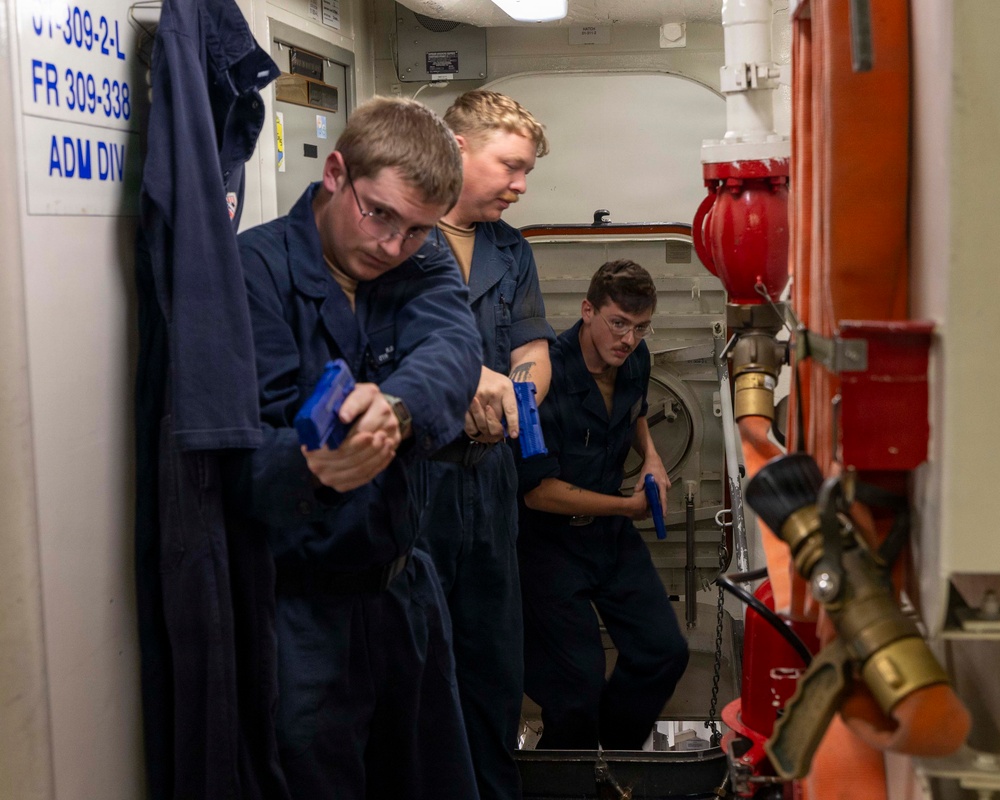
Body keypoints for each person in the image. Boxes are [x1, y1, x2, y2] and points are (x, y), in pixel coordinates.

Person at [225, 97, 482, 799]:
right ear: (336, 173)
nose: (391, 245)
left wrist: (396, 410)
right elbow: (237, 450)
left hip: (401, 591)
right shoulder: (254, 274)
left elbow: (453, 348)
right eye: (379, 214)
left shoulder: (422, 263)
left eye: (416, 230)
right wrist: (308, 466)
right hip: (300, 608)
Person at [416, 90, 555, 800]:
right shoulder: (401, 237)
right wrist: (461, 382)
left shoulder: (510, 249)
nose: (521, 184)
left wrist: (513, 393)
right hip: (418, 481)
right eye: (511, 166)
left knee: (494, 661)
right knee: (418, 659)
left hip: (491, 477)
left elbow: (534, 346)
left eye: (526, 171)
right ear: (458, 148)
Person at [516, 259, 690, 750]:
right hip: (548, 545)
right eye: (618, 323)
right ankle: (565, 780)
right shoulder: (544, 374)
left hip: (608, 539)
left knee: (663, 651)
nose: (628, 339)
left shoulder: (635, 359)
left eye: (640, 327)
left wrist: (652, 457)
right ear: (587, 310)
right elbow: (537, 490)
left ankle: (612, 763)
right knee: (576, 692)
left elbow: (634, 412)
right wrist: (627, 509)